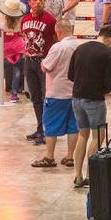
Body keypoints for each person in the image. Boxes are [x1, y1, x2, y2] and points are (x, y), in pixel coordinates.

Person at [69, 25, 111, 188]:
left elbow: (70, 74)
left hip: (76, 98)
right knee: (98, 136)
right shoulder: (108, 54)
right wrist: (103, 91)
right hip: (95, 100)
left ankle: (77, 175)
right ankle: (91, 174)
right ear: (109, 39)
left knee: (83, 135)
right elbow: (109, 83)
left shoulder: (80, 48)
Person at [32, 19, 80, 169]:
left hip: (57, 93)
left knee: (51, 125)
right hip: (75, 92)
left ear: (58, 31)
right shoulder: (79, 45)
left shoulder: (58, 47)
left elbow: (46, 67)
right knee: (73, 126)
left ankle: (49, 157)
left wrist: (42, 62)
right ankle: (70, 156)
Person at [22, 0, 58, 145]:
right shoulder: (24, 19)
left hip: (44, 63)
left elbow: (57, 41)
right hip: (29, 62)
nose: (38, 2)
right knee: (35, 97)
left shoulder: (50, 20)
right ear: (29, 2)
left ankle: (47, 130)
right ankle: (39, 128)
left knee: (45, 98)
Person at [0, 0, 26, 102]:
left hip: (5, 46)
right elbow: (22, 32)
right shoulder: (21, 17)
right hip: (18, 46)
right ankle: (13, 94)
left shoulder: (1, 16)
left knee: (1, 70)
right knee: (17, 70)